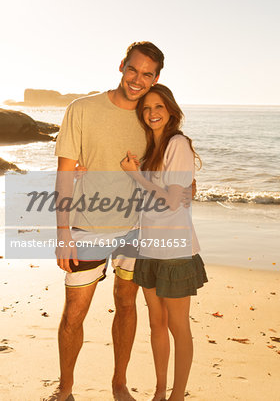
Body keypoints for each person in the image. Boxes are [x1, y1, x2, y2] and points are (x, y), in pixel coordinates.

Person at [45, 42, 164, 401]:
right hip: (86, 228)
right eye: (133, 69)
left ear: (156, 78)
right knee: (74, 315)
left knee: (126, 303)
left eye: (147, 74)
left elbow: (164, 168)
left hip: (135, 230)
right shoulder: (81, 109)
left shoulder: (152, 117)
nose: (137, 79)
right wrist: (63, 232)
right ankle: (65, 389)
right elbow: (65, 174)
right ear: (121, 66)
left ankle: (119, 383)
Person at [120, 84, 208, 401]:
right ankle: (160, 392)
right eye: (146, 108)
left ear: (170, 109)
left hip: (175, 252)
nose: (152, 113)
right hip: (149, 248)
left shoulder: (177, 144)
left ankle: (177, 395)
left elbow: (171, 201)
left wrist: (136, 176)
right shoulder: (150, 150)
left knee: (177, 326)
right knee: (157, 324)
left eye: (158, 106)